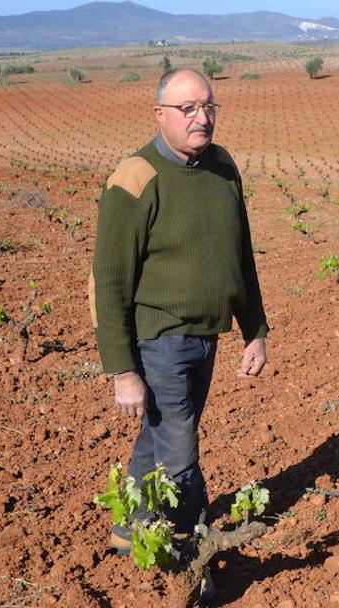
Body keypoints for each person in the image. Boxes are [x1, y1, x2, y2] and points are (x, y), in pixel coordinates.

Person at [88, 67, 269, 587]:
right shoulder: (135, 179)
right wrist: (123, 370)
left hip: (206, 336)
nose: (202, 117)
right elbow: (111, 281)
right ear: (160, 115)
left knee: (161, 433)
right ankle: (194, 562)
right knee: (180, 454)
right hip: (158, 339)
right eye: (188, 108)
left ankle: (128, 527)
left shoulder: (223, 168)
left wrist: (255, 328)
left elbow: (242, 256)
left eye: (209, 106)